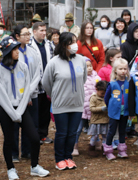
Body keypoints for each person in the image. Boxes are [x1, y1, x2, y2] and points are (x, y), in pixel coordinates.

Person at [0, 36, 47, 180]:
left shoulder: (23, 66)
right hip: (6, 110)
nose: (18, 52)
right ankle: (10, 168)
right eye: (14, 49)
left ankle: (35, 166)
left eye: (17, 48)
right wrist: (13, 113)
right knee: (9, 140)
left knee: (35, 138)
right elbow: (1, 96)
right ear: (7, 52)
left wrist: (20, 111)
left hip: (22, 108)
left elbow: (27, 89)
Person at [42, 32, 87, 171]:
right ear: (63, 45)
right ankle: (60, 159)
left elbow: (83, 79)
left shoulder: (81, 60)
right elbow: (46, 83)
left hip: (77, 103)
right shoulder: (54, 62)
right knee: (62, 132)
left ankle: (69, 157)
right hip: (60, 104)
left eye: (75, 41)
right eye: (71, 42)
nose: (75, 45)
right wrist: (55, 95)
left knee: (73, 132)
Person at [12, 24, 42, 162]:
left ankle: (27, 150)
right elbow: (15, 76)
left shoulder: (32, 52)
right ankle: (14, 153)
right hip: (18, 96)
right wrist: (24, 95)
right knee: (14, 125)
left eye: (28, 34)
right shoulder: (13, 52)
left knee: (31, 124)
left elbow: (37, 72)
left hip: (33, 94)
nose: (28, 37)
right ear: (17, 36)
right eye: (25, 34)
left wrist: (29, 92)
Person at [27, 21, 55, 145]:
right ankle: (35, 135)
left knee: (45, 111)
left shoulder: (50, 45)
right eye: (41, 30)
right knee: (34, 111)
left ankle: (43, 134)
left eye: (45, 30)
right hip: (34, 84)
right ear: (34, 32)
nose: (44, 33)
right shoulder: (28, 45)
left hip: (47, 84)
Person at [102, 58, 130, 160]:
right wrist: (110, 106)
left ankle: (122, 150)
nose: (123, 71)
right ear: (115, 70)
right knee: (112, 130)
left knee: (122, 130)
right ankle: (108, 149)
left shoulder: (128, 83)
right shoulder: (112, 84)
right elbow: (106, 97)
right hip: (114, 111)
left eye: (125, 69)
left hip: (125, 111)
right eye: (121, 69)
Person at [74, 58, 100, 156]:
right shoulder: (79, 78)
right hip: (82, 109)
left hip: (94, 108)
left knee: (95, 127)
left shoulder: (96, 77)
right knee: (78, 128)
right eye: (86, 66)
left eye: (90, 66)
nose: (89, 68)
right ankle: (74, 145)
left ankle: (96, 142)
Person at [88, 80, 109, 155]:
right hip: (96, 121)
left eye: (105, 93)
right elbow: (92, 108)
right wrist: (101, 108)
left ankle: (105, 149)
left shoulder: (107, 97)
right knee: (95, 135)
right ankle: (91, 149)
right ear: (97, 90)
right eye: (102, 93)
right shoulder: (93, 98)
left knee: (105, 136)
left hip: (105, 120)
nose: (103, 95)